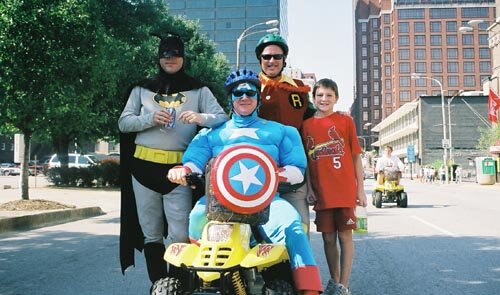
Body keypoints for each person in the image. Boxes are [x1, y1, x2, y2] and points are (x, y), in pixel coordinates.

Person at [167, 69, 322, 295]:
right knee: (195, 218)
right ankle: (204, 280)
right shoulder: (211, 134)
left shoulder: (281, 132)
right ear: (230, 98)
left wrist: (273, 175)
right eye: (238, 93)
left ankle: (310, 291)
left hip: (267, 203)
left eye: (250, 92)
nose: (244, 97)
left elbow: (297, 170)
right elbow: (194, 163)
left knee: (293, 226)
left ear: (258, 98)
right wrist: (182, 171)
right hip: (217, 204)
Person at [118, 33, 228, 290]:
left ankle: (178, 285)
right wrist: (149, 119)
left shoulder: (199, 89)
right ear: (159, 57)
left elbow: (221, 117)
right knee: (151, 234)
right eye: (165, 55)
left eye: (175, 54)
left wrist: (200, 117)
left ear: (183, 57)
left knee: (179, 234)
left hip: (179, 171)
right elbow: (124, 123)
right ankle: (159, 286)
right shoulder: (141, 89)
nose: (170, 59)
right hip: (142, 168)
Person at [301, 78, 367, 295]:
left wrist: (360, 189)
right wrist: (310, 188)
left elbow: (356, 156)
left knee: (345, 236)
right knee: (328, 238)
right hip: (322, 192)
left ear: (336, 98)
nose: (324, 99)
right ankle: (334, 280)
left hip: (345, 189)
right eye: (320, 95)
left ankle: (344, 286)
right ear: (313, 98)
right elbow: (307, 162)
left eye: (329, 95)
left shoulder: (345, 121)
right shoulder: (307, 125)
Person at [254, 33, 316, 231]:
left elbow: (312, 122)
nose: (272, 61)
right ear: (260, 60)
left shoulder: (298, 88)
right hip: (257, 171)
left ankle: (300, 263)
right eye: (267, 57)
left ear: (284, 60)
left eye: (277, 56)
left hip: (294, 170)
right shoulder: (249, 87)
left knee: (299, 226)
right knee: (260, 230)